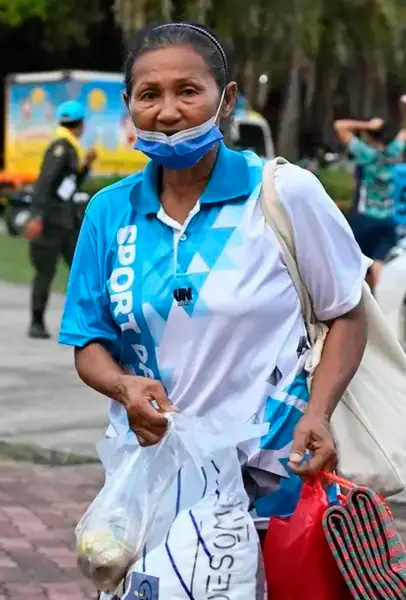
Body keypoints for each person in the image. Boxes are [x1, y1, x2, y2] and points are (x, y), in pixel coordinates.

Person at [59, 22, 368, 536]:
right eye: (149, 94)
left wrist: (319, 413)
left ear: (226, 100)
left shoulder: (284, 193)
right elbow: (88, 339)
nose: (168, 112)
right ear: (128, 103)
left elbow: (348, 313)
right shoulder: (109, 211)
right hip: (153, 474)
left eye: (188, 91)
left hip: (275, 474)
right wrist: (123, 387)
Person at [25, 100, 98, 339]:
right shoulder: (61, 147)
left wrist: (85, 166)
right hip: (50, 222)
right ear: (81, 124)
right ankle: (36, 322)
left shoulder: (70, 147)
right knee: (46, 272)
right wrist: (37, 216)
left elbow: (66, 187)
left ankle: (87, 319)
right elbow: (45, 184)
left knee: (82, 268)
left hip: (64, 222)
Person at [334, 101, 406, 287]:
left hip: (365, 217)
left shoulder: (365, 153)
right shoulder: (393, 153)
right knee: (378, 263)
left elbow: (339, 126)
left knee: (352, 261)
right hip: (387, 219)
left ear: (367, 135)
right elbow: (404, 132)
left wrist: (367, 125)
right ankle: (380, 305)